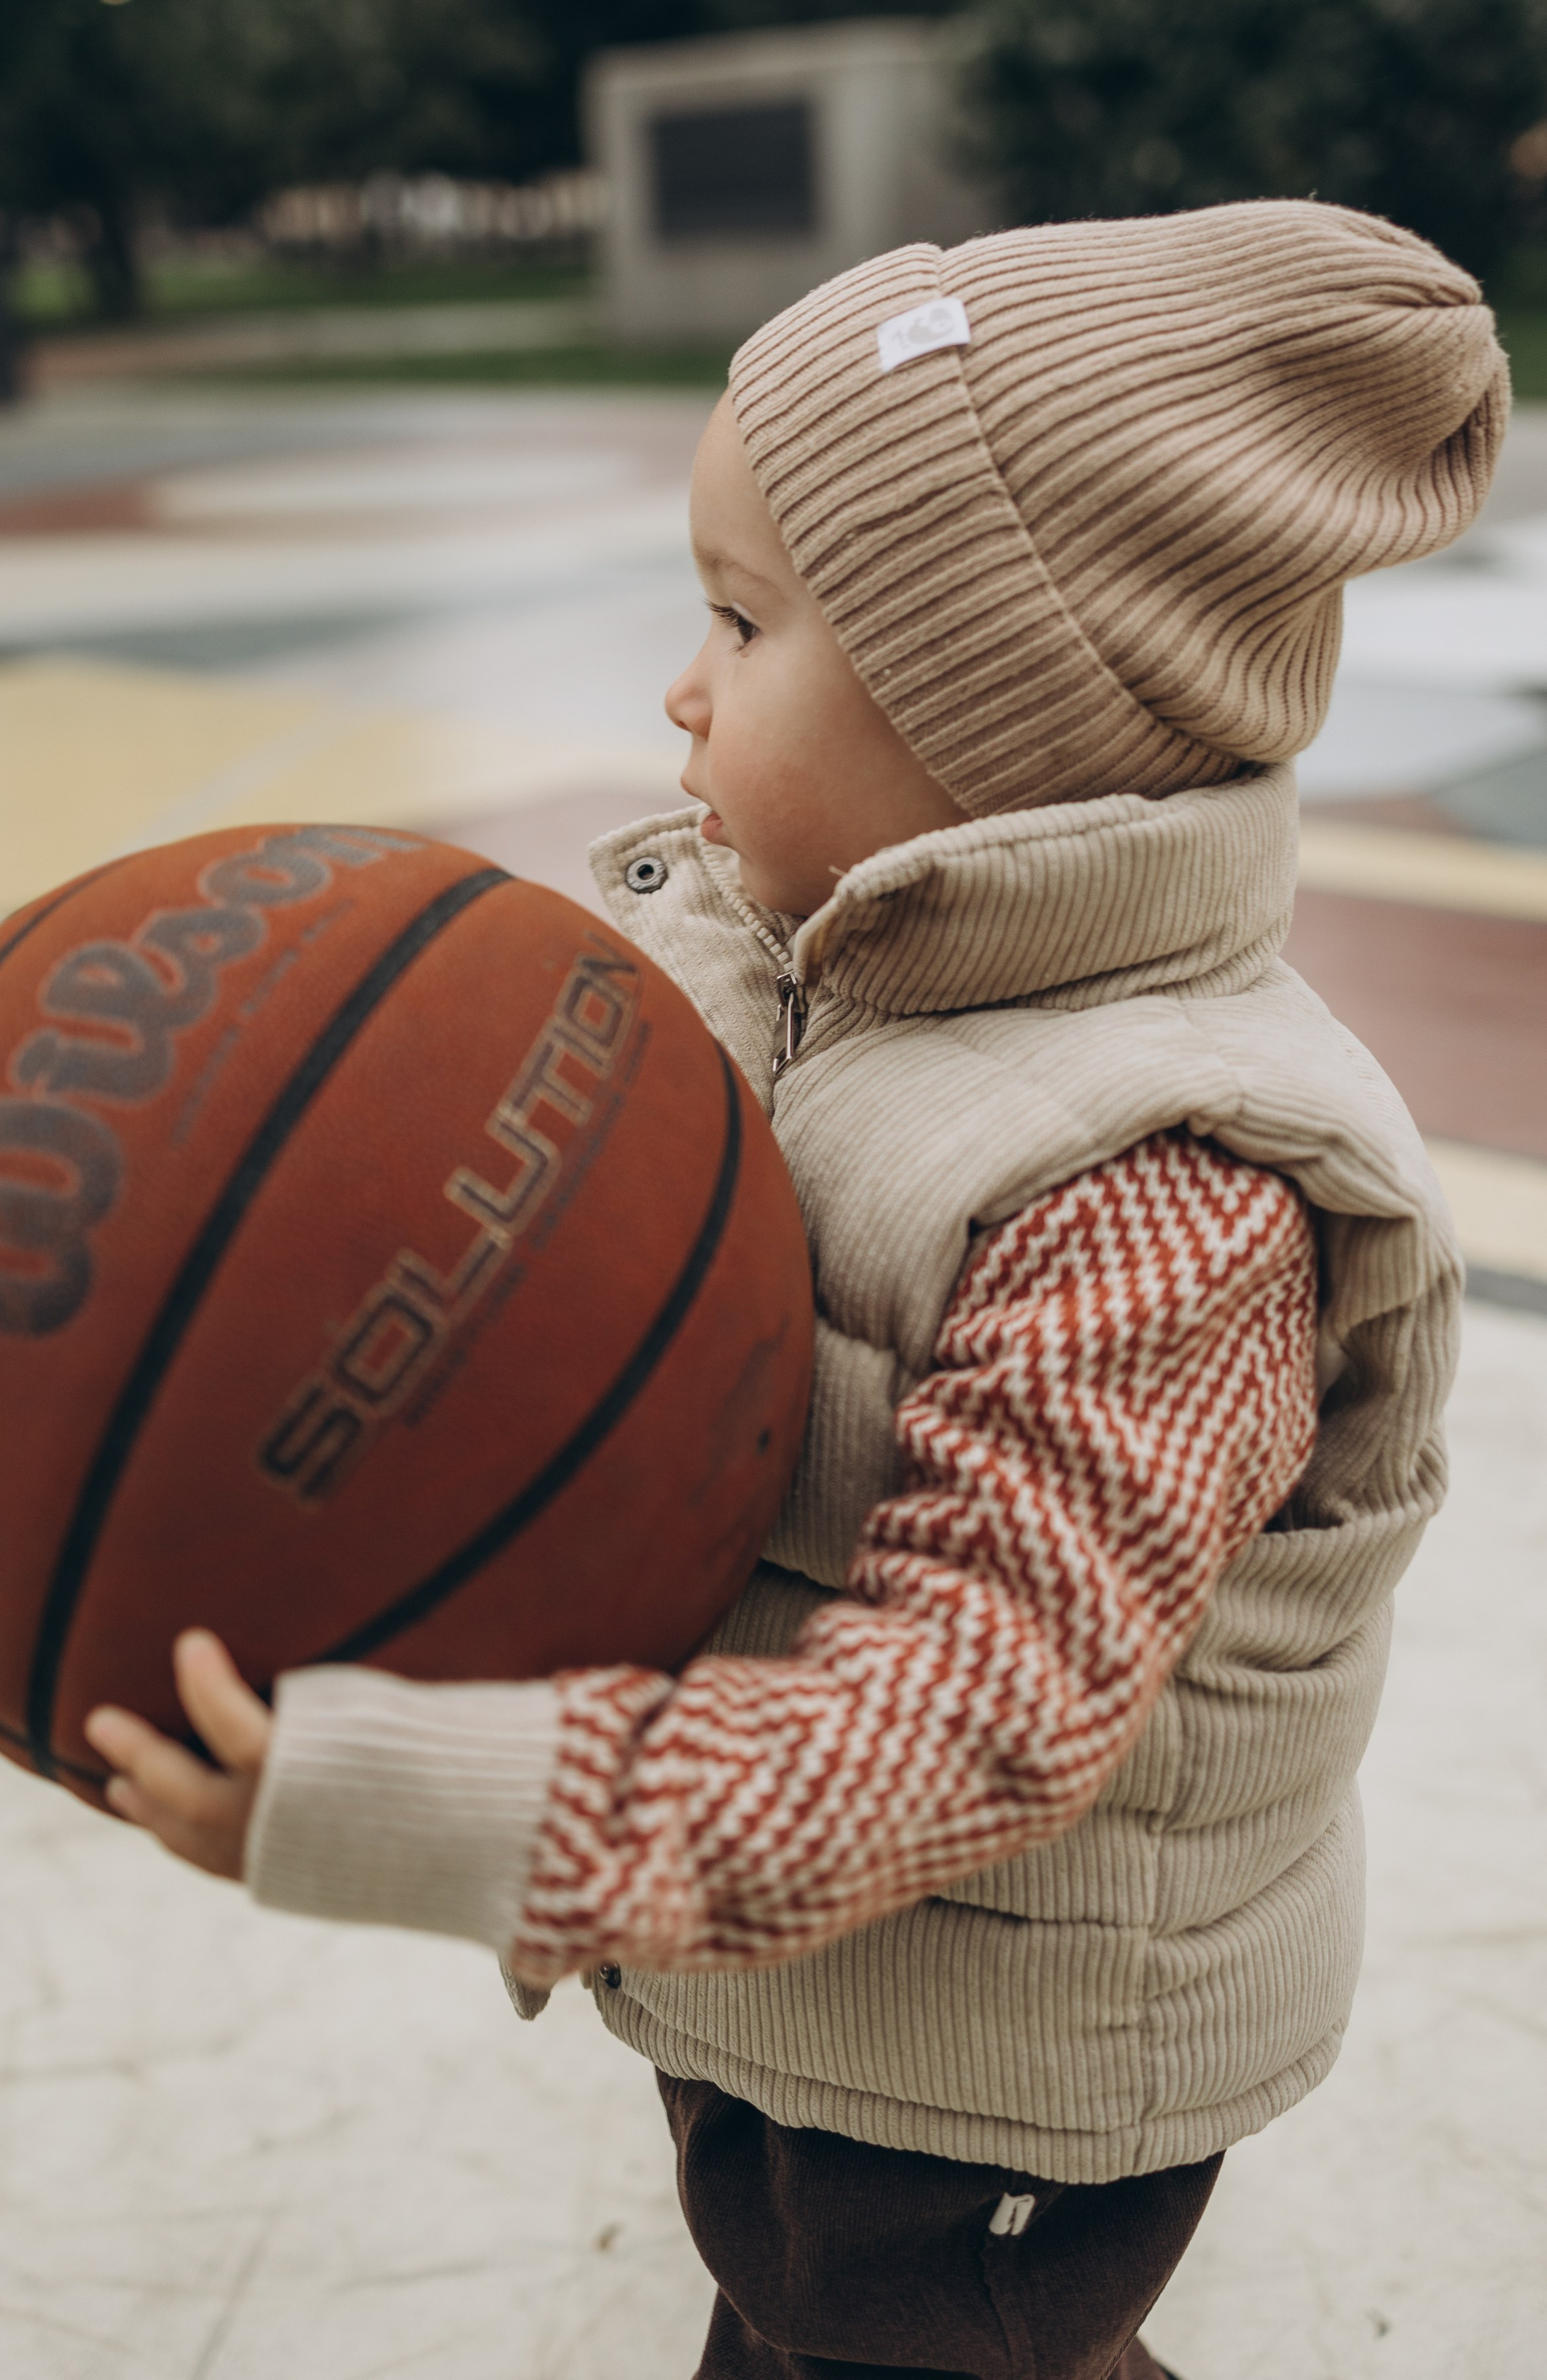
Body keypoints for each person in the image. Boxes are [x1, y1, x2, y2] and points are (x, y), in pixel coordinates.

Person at [88, 201, 1505, 2380]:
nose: (678, 686)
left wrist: (423, 1802)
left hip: (1001, 2070)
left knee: (896, 2341)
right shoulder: (842, 984)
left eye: (742, 627)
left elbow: (970, 1722)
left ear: (998, 723)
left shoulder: (1167, 1194)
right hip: (832, 1982)